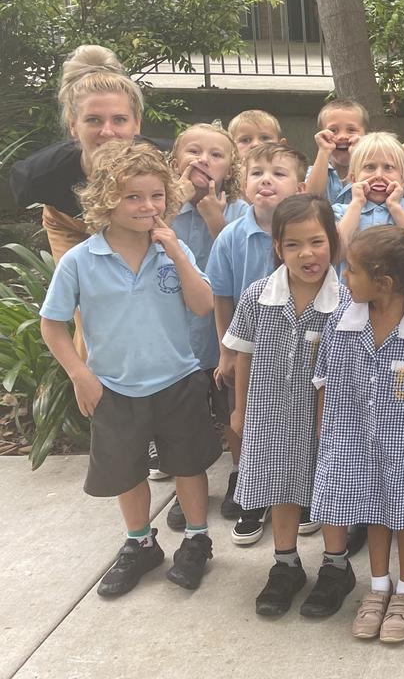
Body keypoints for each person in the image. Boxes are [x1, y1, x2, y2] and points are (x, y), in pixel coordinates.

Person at [39, 140, 221, 596]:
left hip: (178, 378)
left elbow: (202, 306)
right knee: (127, 471)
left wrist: (177, 253)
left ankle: (197, 538)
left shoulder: (170, 251)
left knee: (189, 465)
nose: (148, 206)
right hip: (115, 387)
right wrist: (81, 374)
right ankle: (140, 542)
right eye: (133, 197)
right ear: (105, 200)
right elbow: (52, 324)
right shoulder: (81, 260)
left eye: (156, 195)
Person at [311, 225, 404, 643]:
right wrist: (324, 434)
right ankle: (378, 587)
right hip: (352, 438)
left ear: (382, 282)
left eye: (351, 270)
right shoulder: (340, 321)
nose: (344, 276)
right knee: (372, 512)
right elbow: (325, 380)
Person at [221, 194, 348, 616]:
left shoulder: (347, 301)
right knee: (280, 485)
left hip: (326, 419)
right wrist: (239, 410)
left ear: (333, 241)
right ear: (278, 247)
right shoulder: (259, 294)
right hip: (270, 412)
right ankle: (286, 563)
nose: (306, 253)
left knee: (329, 489)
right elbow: (244, 354)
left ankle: (335, 566)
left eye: (316, 241)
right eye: (292, 244)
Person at [208, 142, 309, 544]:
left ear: (301, 187)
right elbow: (221, 296)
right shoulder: (231, 237)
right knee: (250, 422)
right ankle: (255, 493)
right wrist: (225, 351)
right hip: (252, 349)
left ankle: (301, 494)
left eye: (278, 173)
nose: (266, 179)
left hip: (304, 347)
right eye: (257, 172)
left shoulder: (312, 233)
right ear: (243, 183)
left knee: (302, 423)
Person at [159, 122, 250, 530]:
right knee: (185, 419)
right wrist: (173, 202)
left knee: (234, 412)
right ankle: (188, 484)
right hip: (178, 338)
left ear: (230, 167)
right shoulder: (158, 208)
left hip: (224, 334)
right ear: (174, 161)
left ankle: (241, 476)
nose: (203, 160)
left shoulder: (239, 211)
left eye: (216, 154)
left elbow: (239, 261)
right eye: (193, 151)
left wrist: (214, 216)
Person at [12, 45, 147, 264]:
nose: (107, 132)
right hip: (71, 223)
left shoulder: (166, 163)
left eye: (119, 120)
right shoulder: (40, 175)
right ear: (73, 125)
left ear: (137, 124)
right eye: (93, 120)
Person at [332, 132, 404, 297]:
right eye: (369, 167)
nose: (379, 176)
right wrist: (356, 204)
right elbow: (335, 253)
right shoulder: (341, 211)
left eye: (388, 167)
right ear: (354, 178)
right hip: (351, 306)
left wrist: (394, 206)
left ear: (403, 179)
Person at [304, 99, 369, 204]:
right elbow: (308, 200)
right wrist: (323, 151)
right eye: (333, 130)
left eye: (351, 130)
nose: (342, 136)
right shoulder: (313, 172)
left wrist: (358, 157)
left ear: (365, 136)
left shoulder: (375, 170)